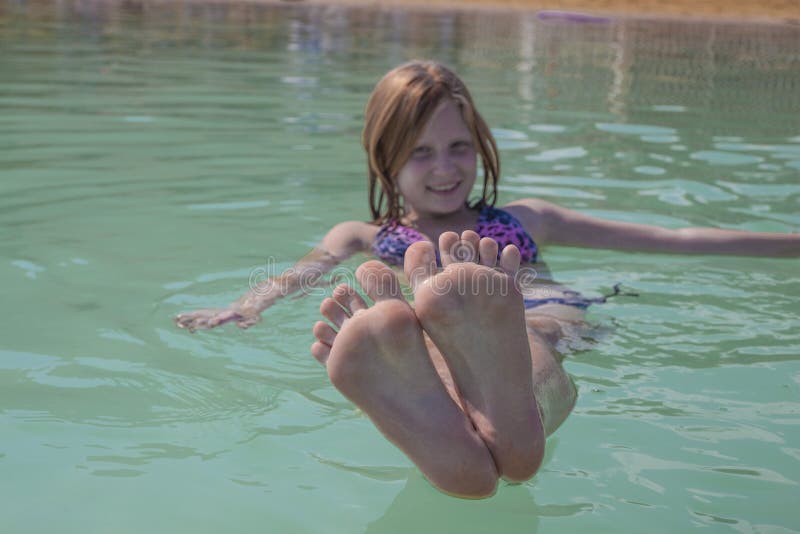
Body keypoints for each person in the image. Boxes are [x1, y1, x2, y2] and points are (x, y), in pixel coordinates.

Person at [175, 60, 799, 498]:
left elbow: (671, 239)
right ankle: (484, 423)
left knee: (535, 335)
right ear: (383, 157)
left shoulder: (524, 218)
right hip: (452, 324)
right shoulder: (361, 236)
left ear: (480, 146)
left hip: (528, 306)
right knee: (446, 344)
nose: (445, 169)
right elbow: (298, 275)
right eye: (420, 152)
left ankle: (472, 425)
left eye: (459, 148)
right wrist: (247, 304)